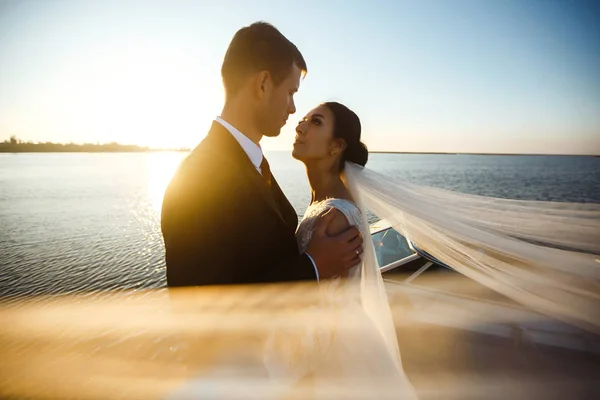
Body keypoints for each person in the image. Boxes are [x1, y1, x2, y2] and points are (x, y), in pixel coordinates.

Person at [161, 22, 363, 287]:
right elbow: (201, 311)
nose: (293, 110)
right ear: (264, 84)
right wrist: (312, 266)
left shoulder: (253, 163)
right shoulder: (197, 178)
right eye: (291, 92)